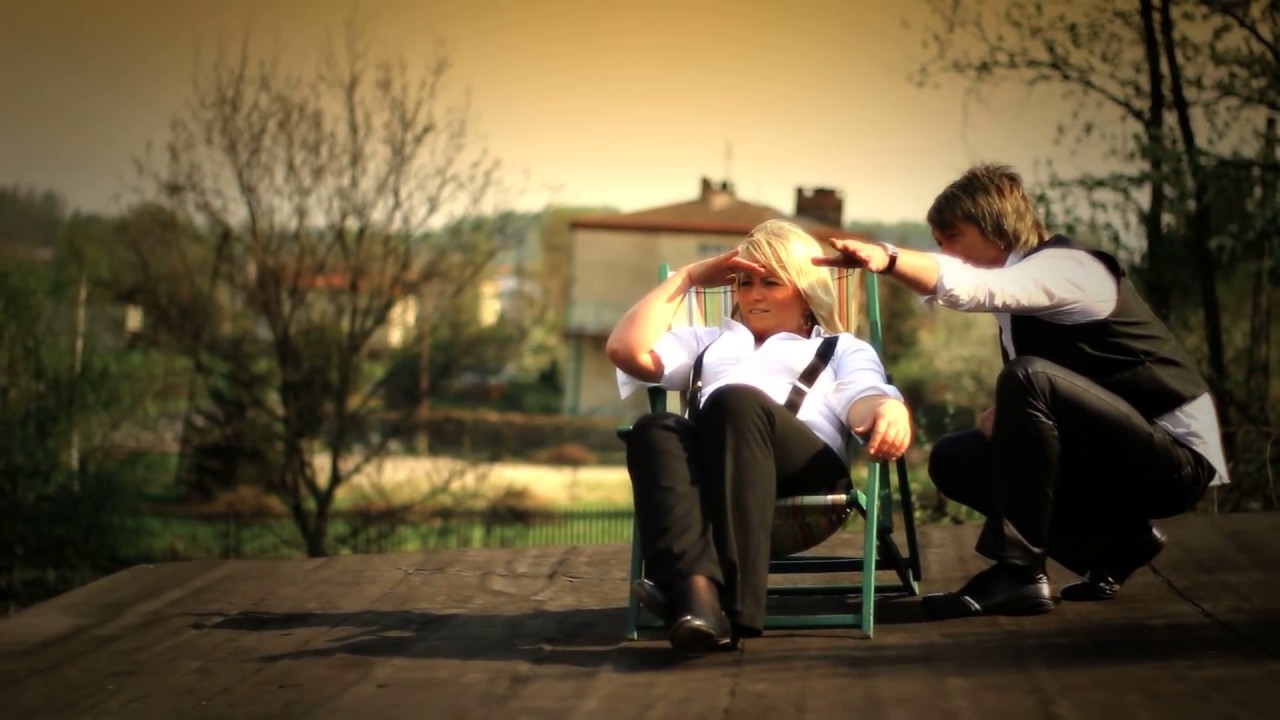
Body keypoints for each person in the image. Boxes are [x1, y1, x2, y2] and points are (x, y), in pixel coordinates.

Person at [812, 163, 1228, 618]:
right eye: (939, 242)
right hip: (1112, 456)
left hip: (1175, 459)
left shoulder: (1069, 269)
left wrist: (889, 257)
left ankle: (1020, 573)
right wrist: (1015, 414)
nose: (945, 251)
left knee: (1027, 378)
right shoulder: (1018, 301)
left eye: (953, 237)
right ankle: (1118, 542)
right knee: (956, 458)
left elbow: (978, 290)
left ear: (997, 231)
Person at [608, 219, 912, 652]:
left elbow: (863, 395)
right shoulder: (707, 342)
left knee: (735, 401)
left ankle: (737, 606)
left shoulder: (839, 347)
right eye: (744, 282)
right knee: (654, 430)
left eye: (771, 282)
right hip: (714, 478)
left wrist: (887, 408)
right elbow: (625, 351)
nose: (753, 295)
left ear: (805, 291)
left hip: (804, 472)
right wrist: (687, 278)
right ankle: (698, 601)